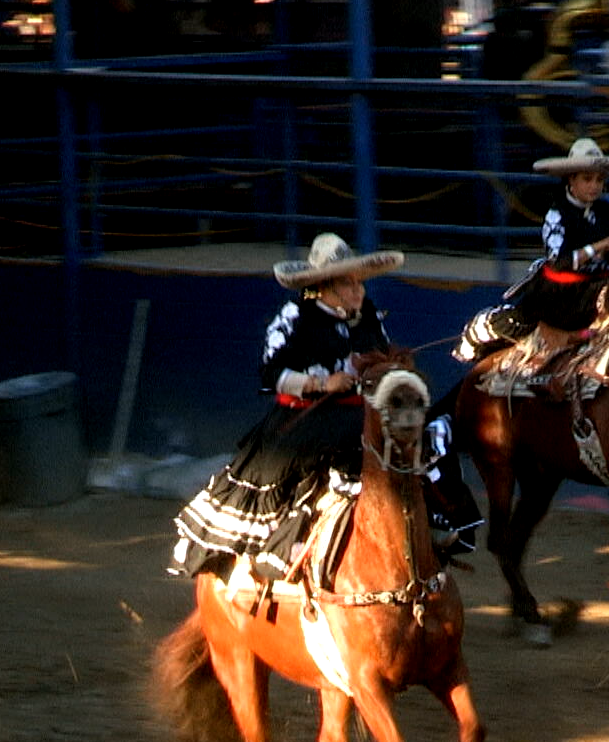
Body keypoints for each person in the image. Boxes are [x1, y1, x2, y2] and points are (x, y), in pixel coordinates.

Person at [171, 235, 481, 582]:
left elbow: (377, 358)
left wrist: (389, 366)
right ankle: (290, 549)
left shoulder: (367, 315)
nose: (358, 292)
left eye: (359, 283)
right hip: (306, 419)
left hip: (360, 412)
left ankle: (433, 526)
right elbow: (270, 373)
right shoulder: (296, 314)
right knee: (356, 449)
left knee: (425, 432)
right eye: (348, 285)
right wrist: (322, 384)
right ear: (323, 287)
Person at [453, 138, 609, 366]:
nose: (594, 186)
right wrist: (600, 246)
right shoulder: (558, 213)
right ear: (571, 180)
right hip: (561, 292)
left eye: (599, 180)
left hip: (597, 285)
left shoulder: (605, 211)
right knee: (522, 321)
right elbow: (559, 262)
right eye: (587, 179)